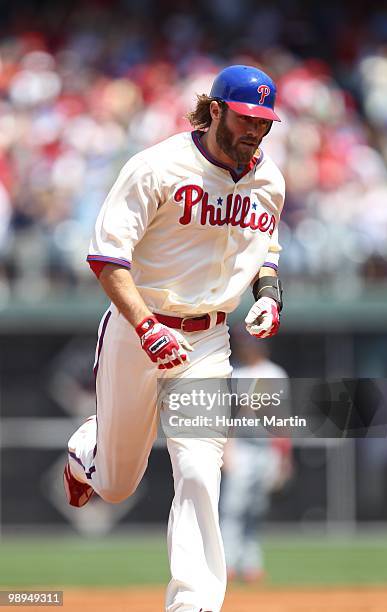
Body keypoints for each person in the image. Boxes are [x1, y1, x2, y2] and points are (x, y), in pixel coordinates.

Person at [63, 64, 285, 612]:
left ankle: (194, 603)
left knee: (198, 471)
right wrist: (146, 326)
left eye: (264, 122)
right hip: (139, 327)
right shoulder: (158, 166)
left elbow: (267, 253)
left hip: (208, 342)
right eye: (245, 119)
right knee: (116, 484)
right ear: (215, 110)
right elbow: (106, 257)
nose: (254, 132)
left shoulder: (269, 180)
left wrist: (269, 296)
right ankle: (85, 449)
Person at [220, 329, 293, 583]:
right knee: (232, 507)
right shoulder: (234, 373)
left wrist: (284, 458)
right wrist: (226, 451)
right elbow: (226, 419)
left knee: (257, 508)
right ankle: (226, 563)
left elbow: (282, 419)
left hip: (267, 447)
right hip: (241, 446)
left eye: (251, 343)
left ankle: (251, 563)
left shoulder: (274, 373)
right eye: (244, 343)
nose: (247, 347)